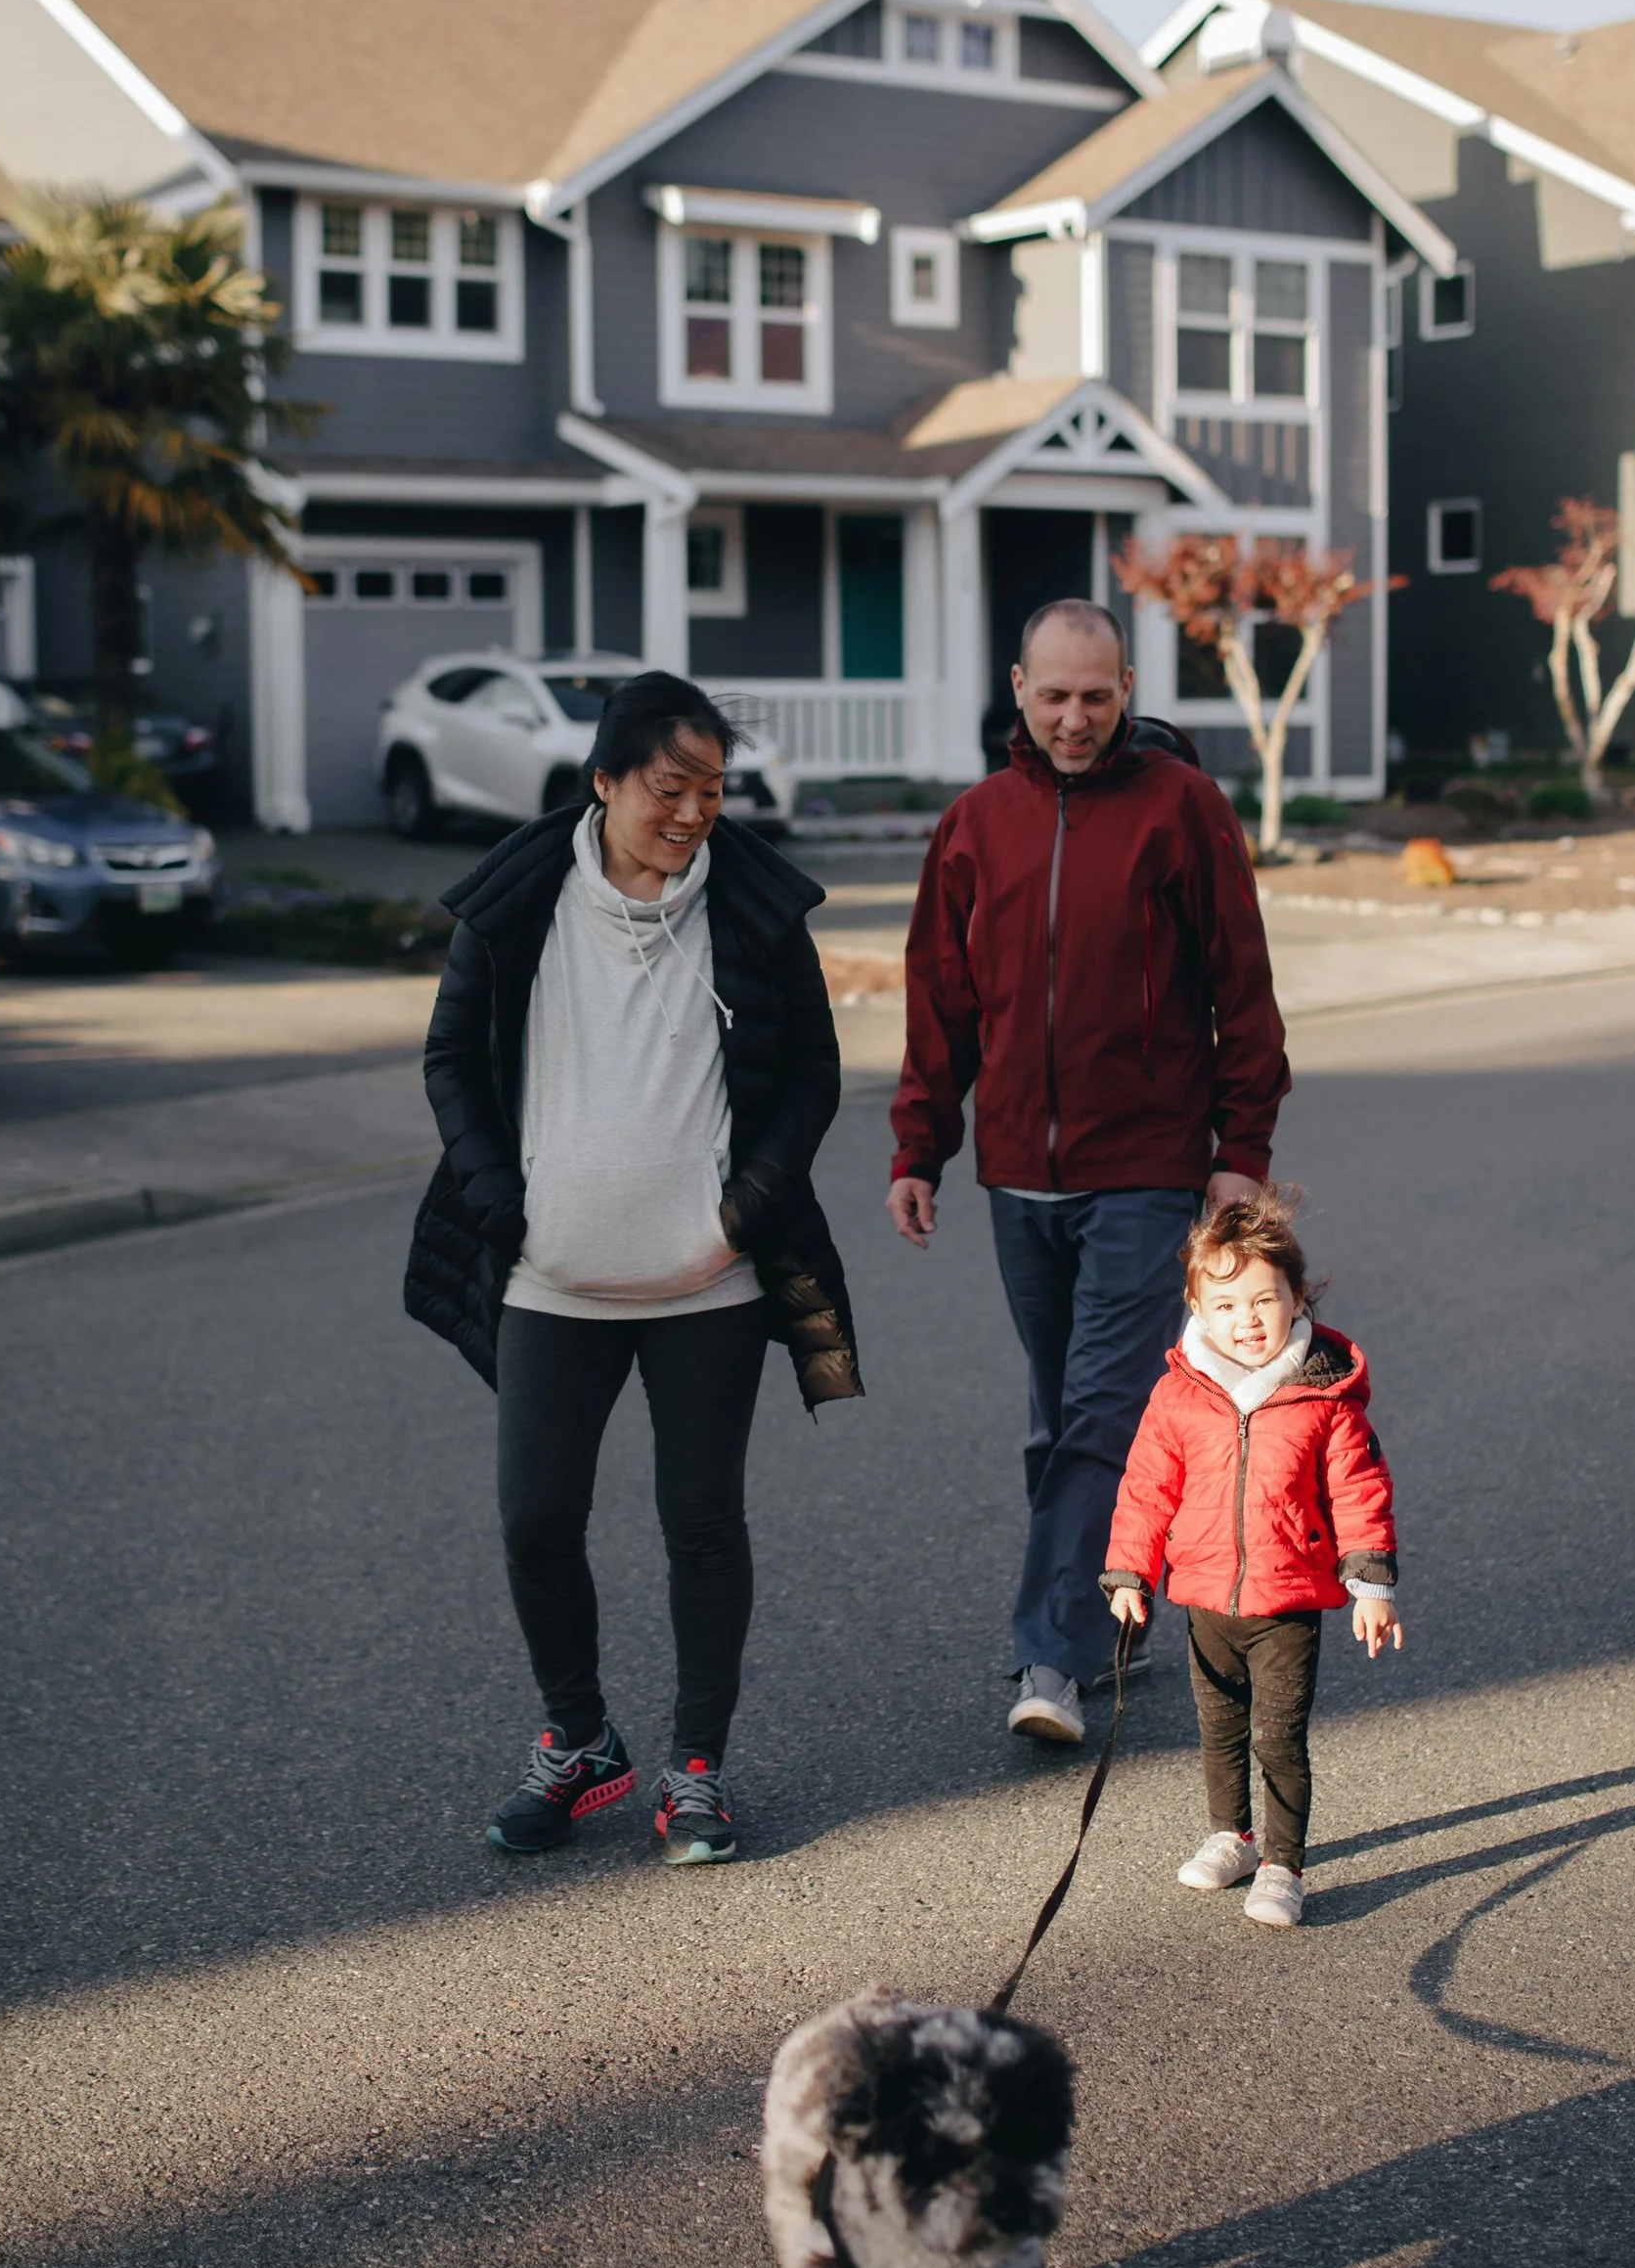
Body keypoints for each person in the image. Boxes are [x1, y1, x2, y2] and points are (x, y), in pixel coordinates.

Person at [407, 670, 861, 1868]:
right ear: (605, 780)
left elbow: (810, 1079)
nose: (695, 811)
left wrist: (742, 1215)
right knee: (536, 1518)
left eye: (713, 788)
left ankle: (696, 1769)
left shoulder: (753, 906)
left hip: (704, 1278)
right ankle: (578, 1741)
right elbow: (451, 1055)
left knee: (701, 1523)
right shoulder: (520, 902)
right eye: (671, 786)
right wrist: (501, 1200)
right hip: (549, 1277)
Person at [889, 598, 1289, 1749]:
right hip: (1019, 1177)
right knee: (1056, 1421)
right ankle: (1113, 1608)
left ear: (1127, 688)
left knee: (1101, 1414)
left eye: (1097, 697)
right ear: (1017, 687)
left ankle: (1052, 1656)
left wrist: (1238, 1156)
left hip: (1147, 1169)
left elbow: (1241, 991)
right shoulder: (974, 826)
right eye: (1054, 696)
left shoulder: (1182, 809)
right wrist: (921, 1144)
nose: (1075, 718)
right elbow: (941, 1004)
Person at [1100, 1190, 1399, 1929]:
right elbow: (1145, 1488)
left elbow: (1360, 1490)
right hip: (1205, 1596)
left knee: (1278, 1736)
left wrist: (1370, 1585)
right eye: (1227, 1306)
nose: (1248, 1321)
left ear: (1298, 1297)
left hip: (1288, 1600)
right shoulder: (1178, 1395)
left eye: (1265, 1301)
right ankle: (1229, 1836)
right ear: (1198, 1310)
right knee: (1219, 1727)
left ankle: (1282, 1864)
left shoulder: (1323, 1397)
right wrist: (1130, 1572)